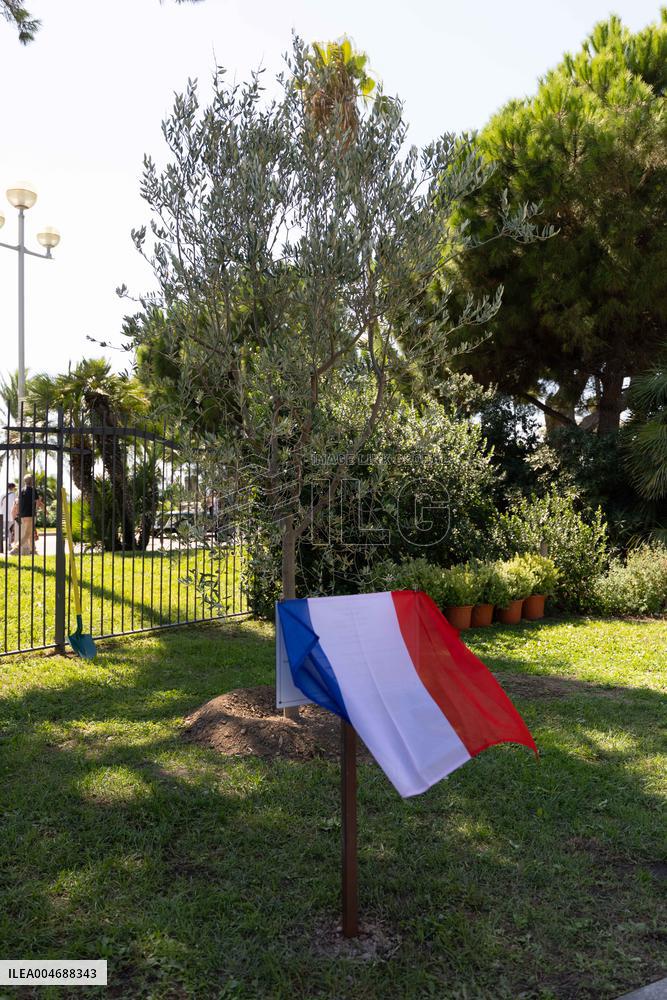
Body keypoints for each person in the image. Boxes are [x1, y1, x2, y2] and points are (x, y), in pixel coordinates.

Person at [9, 475, 44, 556]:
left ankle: (33, 551)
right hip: (30, 514)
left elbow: (18, 502)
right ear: (32, 481)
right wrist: (43, 510)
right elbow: (38, 502)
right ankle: (15, 549)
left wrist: (16, 514)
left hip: (23, 515)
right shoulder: (33, 490)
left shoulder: (21, 490)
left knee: (30, 533)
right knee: (28, 533)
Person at [1, 482, 17, 552]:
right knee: (8, 530)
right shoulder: (15, 495)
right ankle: (9, 545)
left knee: (6, 530)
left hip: (3, 515)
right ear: (13, 488)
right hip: (12, 516)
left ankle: (8, 545)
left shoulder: (2, 495)